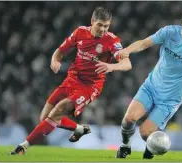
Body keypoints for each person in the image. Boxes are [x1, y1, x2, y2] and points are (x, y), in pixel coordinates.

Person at [11, 6, 132, 155]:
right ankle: (79, 129)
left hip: (90, 86)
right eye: (100, 24)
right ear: (92, 21)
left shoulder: (112, 41)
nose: (103, 29)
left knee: (59, 110)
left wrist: (111, 66)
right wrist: (55, 61)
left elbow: (127, 64)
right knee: (44, 118)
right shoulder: (80, 32)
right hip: (71, 79)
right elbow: (60, 51)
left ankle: (23, 147)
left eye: (106, 26)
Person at [115, 6, 182, 159]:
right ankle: (125, 146)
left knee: (145, 133)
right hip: (151, 87)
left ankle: (151, 149)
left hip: (170, 99)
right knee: (129, 119)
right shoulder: (169, 32)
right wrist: (128, 50)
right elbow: (144, 43)